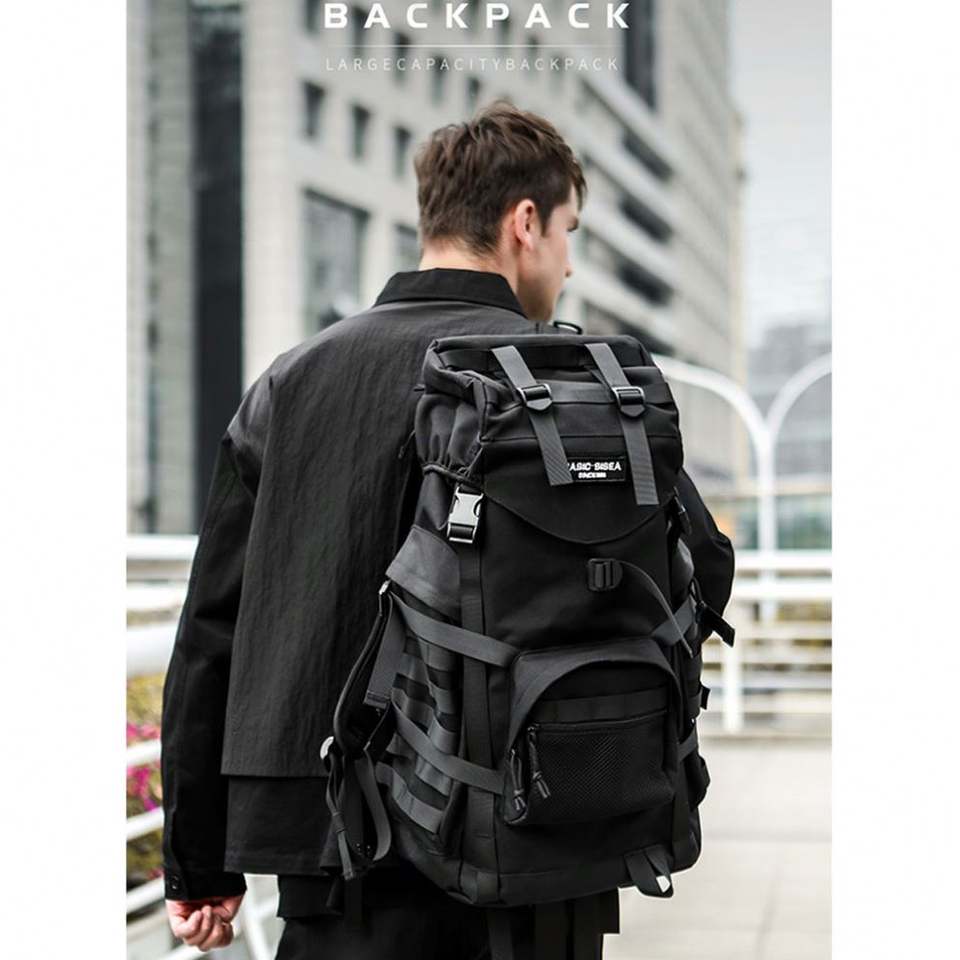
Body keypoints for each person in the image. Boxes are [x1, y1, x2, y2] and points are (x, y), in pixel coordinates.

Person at [161, 101, 730, 958]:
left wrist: (198, 861)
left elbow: (213, 631)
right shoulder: (577, 386)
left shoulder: (292, 382)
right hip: (539, 842)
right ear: (525, 223)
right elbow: (704, 569)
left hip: (338, 859)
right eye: (569, 233)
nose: (569, 263)